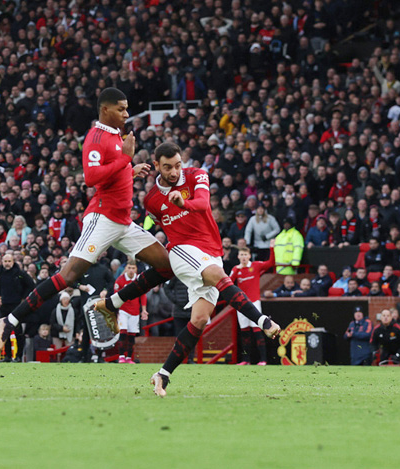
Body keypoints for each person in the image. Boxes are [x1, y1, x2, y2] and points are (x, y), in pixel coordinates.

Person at [93, 142, 280, 396]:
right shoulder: (151, 201)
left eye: (178, 165)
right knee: (217, 277)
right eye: (167, 167)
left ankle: (162, 374)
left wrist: (184, 203)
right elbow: (165, 225)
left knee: (200, 319)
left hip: (212, 251)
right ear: (156, 165)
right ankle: (264, 321)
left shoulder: (196, 175)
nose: (174, 172)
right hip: (181, 249)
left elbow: (202, 204)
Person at [0, 88, 174, 348]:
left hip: (123, 222)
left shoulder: (116, 135)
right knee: (67, 277)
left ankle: (111, 304)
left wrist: (129, 171)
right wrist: (125, 158)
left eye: (126, 108)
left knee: (166, 266)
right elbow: (91, 177)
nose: (126, 113)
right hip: (102, 218)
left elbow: (112, 175)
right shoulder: (95, 137)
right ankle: (8, 321)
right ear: (105, 110)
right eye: (121, 109)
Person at [230, 241, 275, 365]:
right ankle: (246, 360)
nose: (244, 257)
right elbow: (228, 282)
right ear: (238, 256)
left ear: (249, 256)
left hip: (254, 303)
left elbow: (271, 263)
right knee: (244, 332)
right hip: (241, 305)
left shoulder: (255, 266)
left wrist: (272, 248)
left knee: (257, 330)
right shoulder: (235, 269)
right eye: (241, 255)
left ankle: (263, 359)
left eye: (245, 254)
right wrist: (235, 271)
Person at [113, 259, 147, 363]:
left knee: (132, 334)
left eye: (133, 268)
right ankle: (121, 356)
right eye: (129, 268)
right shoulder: (120, 280)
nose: (131, 270)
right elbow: (116, 296)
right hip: (123, 310)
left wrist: (144, 310)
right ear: (125, 269)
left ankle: (129, 358)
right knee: (123, 332)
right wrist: (116, 312)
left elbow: (143, 295)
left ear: (136, 269)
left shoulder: (139, 280)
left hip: (135, 311)